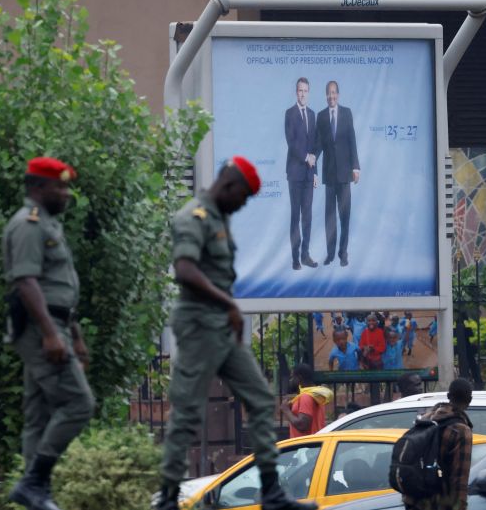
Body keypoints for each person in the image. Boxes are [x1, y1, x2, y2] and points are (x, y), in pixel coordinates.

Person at [154, 157, 317, 510]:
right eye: (242, 197)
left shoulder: (220, 218)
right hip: (199, 324)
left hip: (222, 328)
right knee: (186, 411)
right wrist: (227, 303)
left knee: (259, 399)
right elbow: (184, 270)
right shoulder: (193, 216)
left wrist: (227, 308)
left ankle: (271, 492)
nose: (242, 205)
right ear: (229, 184)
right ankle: (166, 499)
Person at [2, 157, 95, 510]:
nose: (66, 194)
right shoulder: (28, 225)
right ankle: (34, 482)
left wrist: (74, 335)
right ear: (37, 187)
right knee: (78, 403)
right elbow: (26, 282)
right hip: (40, 327)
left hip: (55, 324)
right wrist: (50, 335)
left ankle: (35, 494)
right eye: (60, 186)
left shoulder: (48, 225)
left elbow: (58, 289)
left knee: (38, 414)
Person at [402, 379, 474, 510]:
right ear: (469, 400)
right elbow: (460, 481)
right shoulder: (461, 431)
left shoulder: (424, 420)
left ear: (448, 396)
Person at [313, 80, 359, 267]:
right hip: (329, 176)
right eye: (328, 93)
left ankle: (343, 253)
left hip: (345, 175)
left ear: (338, 95)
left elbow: (352, 141)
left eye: (334, 93)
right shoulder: (321, 116)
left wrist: (356, 167)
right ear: (326, 95)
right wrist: (311, 159)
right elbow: (318, 145)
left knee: (345, 216)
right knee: (329, 217)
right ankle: (330, 254)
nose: (331, 96)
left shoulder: (347, 113)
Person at [285, 77, 318, 270]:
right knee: (295, 216)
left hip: (308, 175)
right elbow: (291, 143)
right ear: (296, 92)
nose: (303, 94)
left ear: (308, 92)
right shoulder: (289, 114)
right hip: (295, 173)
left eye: (305, 90)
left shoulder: (312, 115)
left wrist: (314, 172)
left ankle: (306, 255)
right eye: (300, 90)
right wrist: (306, 157)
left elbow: (314, 145)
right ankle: (295, 258)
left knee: (308, 216)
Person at [280, 364, 332, 437]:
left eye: (292, 377)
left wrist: (286, 410)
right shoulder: (315, 395)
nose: (290, 380)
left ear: (299, 378)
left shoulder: (306, 397)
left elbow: (302, 425)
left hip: (304, 446)